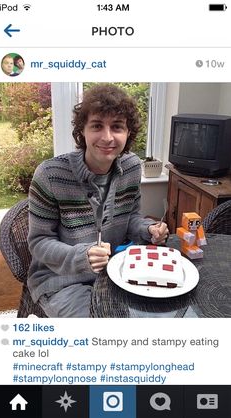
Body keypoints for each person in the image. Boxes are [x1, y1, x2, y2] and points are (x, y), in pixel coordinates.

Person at [27, 84, 169, 317]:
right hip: (62, 280)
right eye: (96, 126)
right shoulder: (51, 175)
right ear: (82, 130)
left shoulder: (132, 166)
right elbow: (39, 242)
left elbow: (131, 217)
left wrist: (148, 229)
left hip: (115, 271)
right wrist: (82, 256)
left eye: (117, 127)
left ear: (128, 133)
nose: (107, 137)